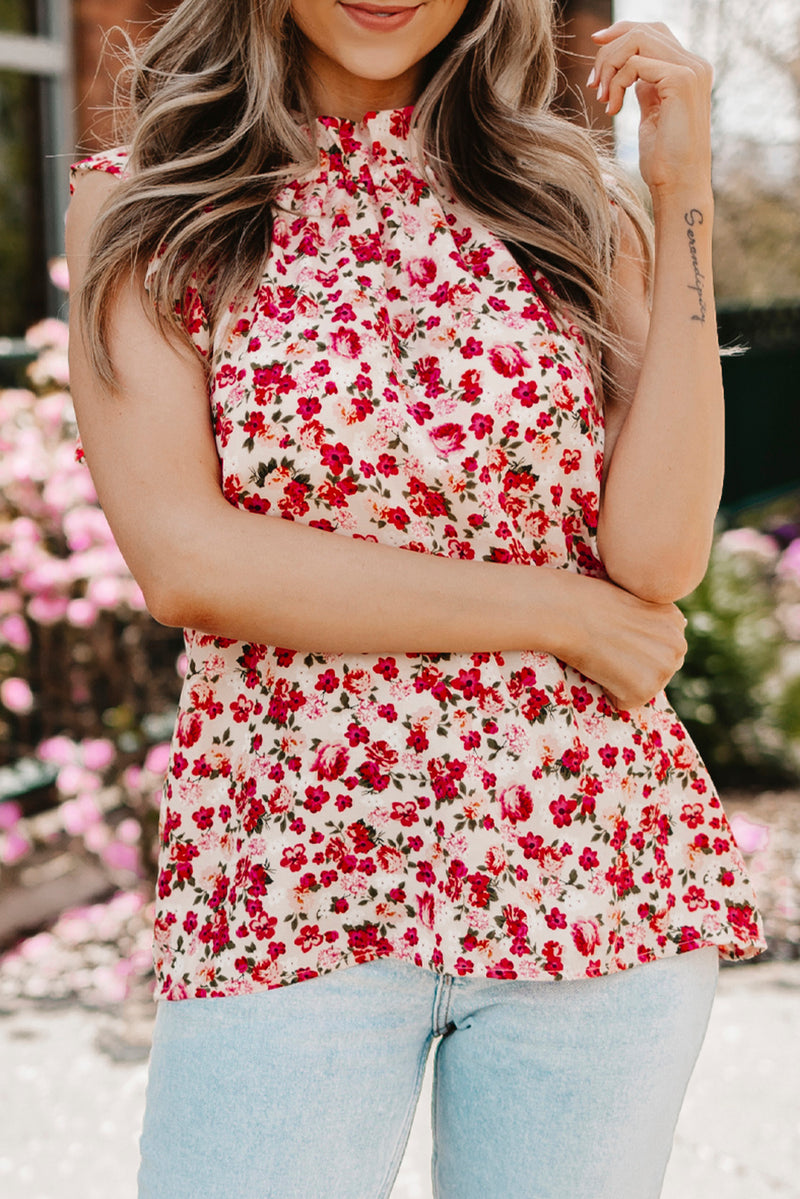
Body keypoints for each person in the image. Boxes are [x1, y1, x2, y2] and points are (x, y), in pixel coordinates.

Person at [66, 1, 765, 1195]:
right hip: (288, 880)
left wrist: (681, 190)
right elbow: (191, 560)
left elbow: (653, 560)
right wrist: (558, 610)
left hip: (588, 874)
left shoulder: (569, 205)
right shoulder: (144, 204)